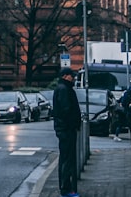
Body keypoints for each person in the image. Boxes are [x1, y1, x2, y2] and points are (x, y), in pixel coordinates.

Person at [52, 67, 82, 197]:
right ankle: (66, 188)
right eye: (72, 76)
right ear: (65, 76)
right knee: (67, 158)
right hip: (66, 129)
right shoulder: (64, 89)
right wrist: (73, 124)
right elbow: (66, 110)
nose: (74, 78)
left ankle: (67, 187)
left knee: (66, 157)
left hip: (64, 128)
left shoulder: (63, 88)